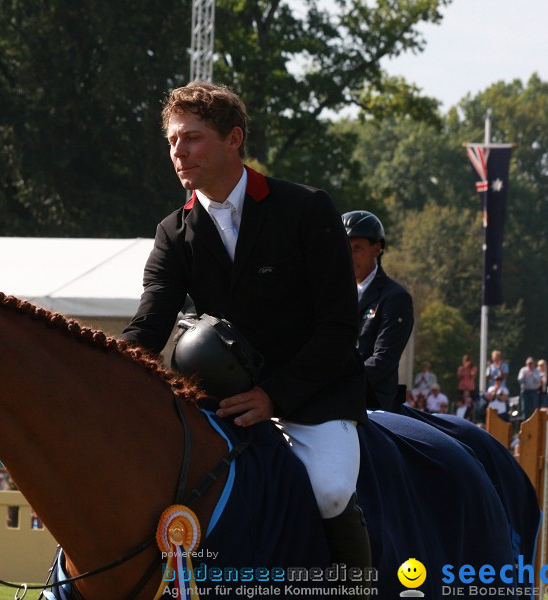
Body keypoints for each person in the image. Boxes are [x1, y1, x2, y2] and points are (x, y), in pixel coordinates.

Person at [121, 82, 370, 573]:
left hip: (315, 394)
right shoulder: (173, 232)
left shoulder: (306, 208)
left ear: (233, 139)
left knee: (329, 491)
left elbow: (340, 325)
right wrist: (98, 374)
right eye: (172, 141)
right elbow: (148, 327)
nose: (178, 151)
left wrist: (275, 396)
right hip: (223, 401)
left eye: (191, 138)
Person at [342, 210, 414, 411]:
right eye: (345, 249)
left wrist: (335, 383)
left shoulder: (395, 298)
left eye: (357, 248)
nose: (350, 256)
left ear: (376, 250)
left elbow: (383, 361)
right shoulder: (332, 294)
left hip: (372, 404)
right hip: (333, 396)